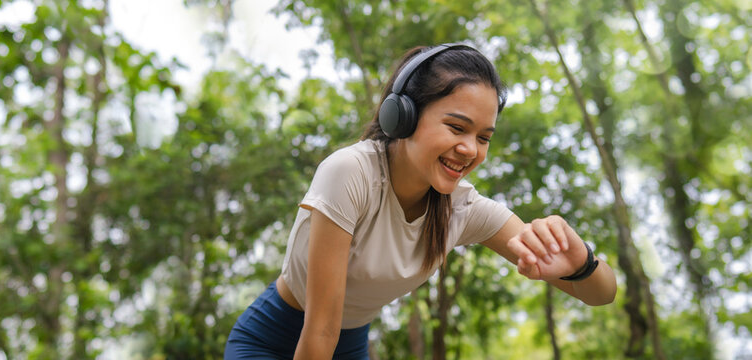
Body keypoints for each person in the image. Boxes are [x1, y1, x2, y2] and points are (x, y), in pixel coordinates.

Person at [224, 43, 617, 359]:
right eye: (456, 127)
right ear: (404, 116)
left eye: (484, 138)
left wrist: (580, 262)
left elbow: (602, 294)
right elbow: (321, 329)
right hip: (275, 336)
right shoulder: (349, 172)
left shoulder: (464, 209)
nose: (470, 149)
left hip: (349, 344)